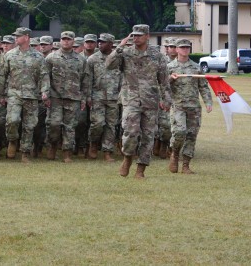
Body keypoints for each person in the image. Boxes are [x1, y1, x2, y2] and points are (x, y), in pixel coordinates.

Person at [106, 24, 172, 179]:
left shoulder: (157, 56)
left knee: (149, 136)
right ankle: (127, 158)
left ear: (147, 36)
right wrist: (119, 47)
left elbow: (164, 81)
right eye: (134, 35)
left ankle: (141, 169)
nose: (135, 38)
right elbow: (109, 65)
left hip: (150, 101)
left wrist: (167, 100)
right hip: (131, 100)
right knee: (130, 132)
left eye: (139, 35)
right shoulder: (126, 53)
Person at [0, 27, 49, 163]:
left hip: (31, 95)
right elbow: (2, 75)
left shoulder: (38, 56)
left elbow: (44, 76)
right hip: (14, 94)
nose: (15, 38)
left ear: (26, 37)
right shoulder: (9, 55)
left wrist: (45, 91)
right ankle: (13, 140)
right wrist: (0, 94)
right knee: (12, 120)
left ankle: (25, 152)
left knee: (29, 125)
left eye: (18, 36)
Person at [167, 38, 213, 174]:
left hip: (194, 107)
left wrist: (208, 102)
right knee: (180, 132)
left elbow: (203, 86)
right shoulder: (169, 67)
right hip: (178, 106)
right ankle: (174, 154)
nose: (185, 50)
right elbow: (162, 86)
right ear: (176, 49)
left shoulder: (196, 67)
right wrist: (170, 78)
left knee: (192, 135)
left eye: (187, 47)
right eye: (182, 47)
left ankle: (186, 165)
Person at [45, 31, 88, 163]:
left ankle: (67, 152)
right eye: (64, 39)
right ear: (60, 41)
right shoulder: (51, 57)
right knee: (54, 124)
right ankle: (52, 145)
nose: (66, 41)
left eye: (69, 39)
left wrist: (83, 98)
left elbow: (84, 80)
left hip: (73, 97)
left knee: (70, 126)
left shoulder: (81, 59)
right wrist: (46, 94)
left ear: (73, 41)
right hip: (55, 97)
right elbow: (46, 77)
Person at [85, 33, 121, 162]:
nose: (100, 44)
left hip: (114, 97)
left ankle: (107, 151)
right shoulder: (92, 59)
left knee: (111, 125)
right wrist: (88, 96)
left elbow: (123, 77)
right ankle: (93, 144)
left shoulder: (118, 59)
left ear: (111, 44)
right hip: (97, 96)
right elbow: (88, 80)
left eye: (103, 42)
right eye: (99, 42)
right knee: (98, 124)